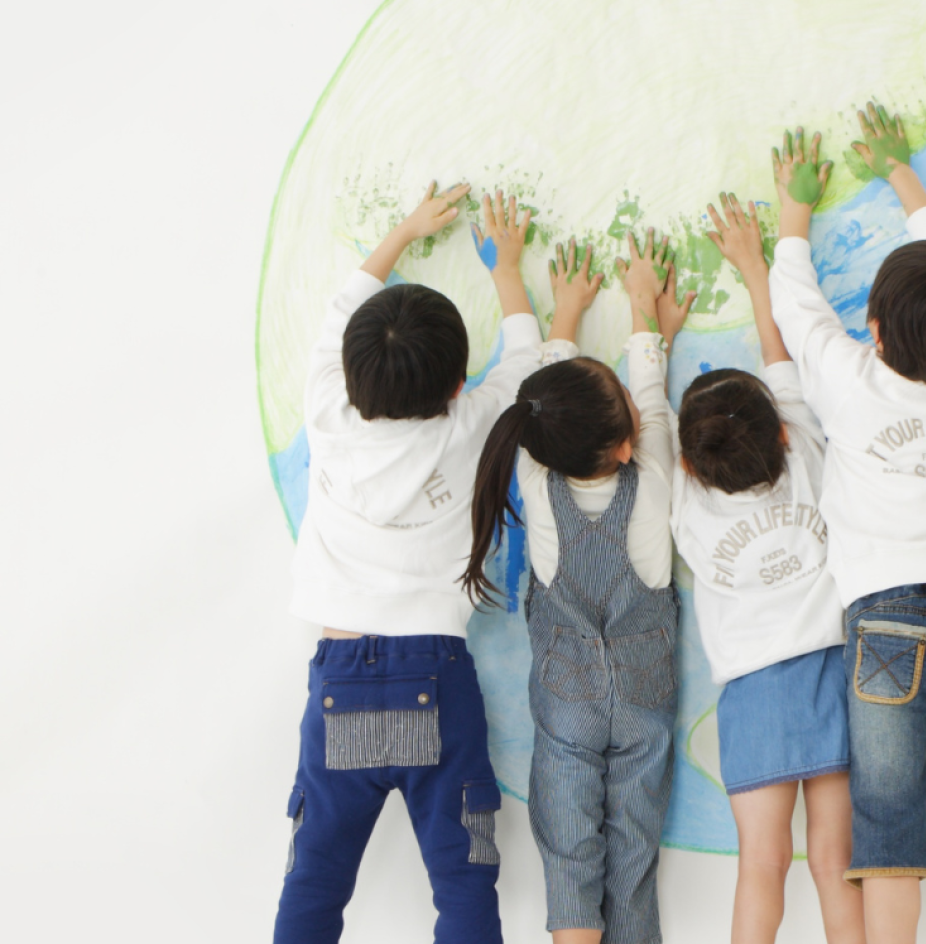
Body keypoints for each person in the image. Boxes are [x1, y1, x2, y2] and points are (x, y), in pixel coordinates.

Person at [767, 105, 926, 944]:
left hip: (884, 618)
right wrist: (905, 177)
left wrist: (795, 215)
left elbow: (798, 309)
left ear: (873, 331)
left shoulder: (848, 382)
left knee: (887, 823)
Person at [275, 184, 539, 944]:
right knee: (464, 886)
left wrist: (404, 231)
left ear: (355, 379)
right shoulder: (474, 424)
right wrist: (507, 268)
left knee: (315, 883)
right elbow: (524, 359)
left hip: (342, 678)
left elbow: (336, 318)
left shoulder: (327, 413)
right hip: (438, 677)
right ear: (457, 385)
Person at [462, 227, 694, 944]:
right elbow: (653, 400)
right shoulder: (652, 485)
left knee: (570, 857)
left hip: (566, 713)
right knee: (633, 860)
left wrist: (563, 310)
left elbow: (545, 391)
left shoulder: (536, 478)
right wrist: (643, 310)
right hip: (645, 708)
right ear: (626, 442)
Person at [670, 193, 864, 944]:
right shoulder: (809, 455)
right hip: (831, 671)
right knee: (835, 860)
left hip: (751, 691)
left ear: (687, 464)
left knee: (762, 864)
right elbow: (779, 351)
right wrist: (757, 270)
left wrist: (652, 324)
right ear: (783, 433)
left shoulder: (684, 502)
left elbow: (652, 425)